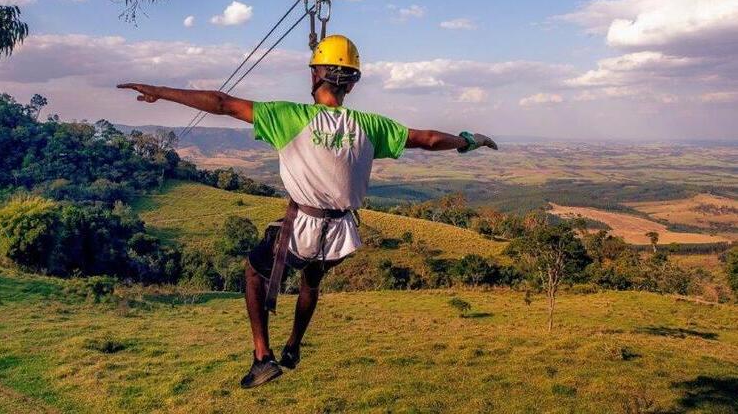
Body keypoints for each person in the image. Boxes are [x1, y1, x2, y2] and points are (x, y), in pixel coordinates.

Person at [118, 34, 498, 388]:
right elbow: (429, 139)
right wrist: (468, 141)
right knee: (311, 281)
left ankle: (263, 357)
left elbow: (221, 104)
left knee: (254, 272)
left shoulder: (290, 116)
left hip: (304, 227)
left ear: (316, 75)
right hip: (343, 234)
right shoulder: (371, 125)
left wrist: (158, 92)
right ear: (351, 84)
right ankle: (295, 344)